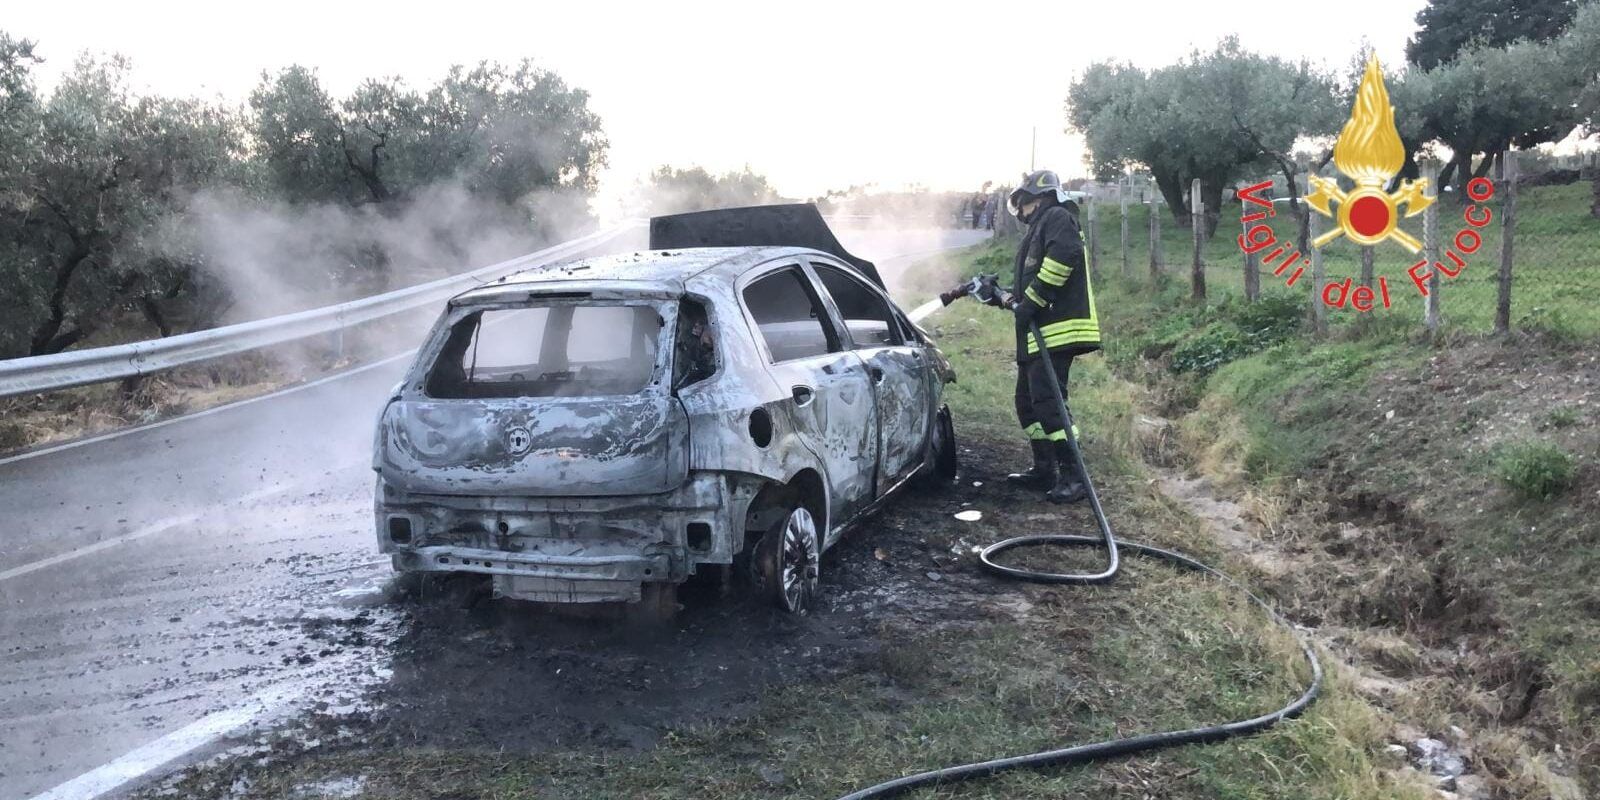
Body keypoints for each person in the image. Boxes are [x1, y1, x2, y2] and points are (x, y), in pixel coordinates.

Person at [1004, 170, 1100, 504]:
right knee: (1027, 403)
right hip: (1037, 333)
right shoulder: (1039, 227)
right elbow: (1032, 279)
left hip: (1058, 330)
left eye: (1024, 203)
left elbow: (1061, 262)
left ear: (1038, 197)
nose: (1021, 210)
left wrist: (1031, 302)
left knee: (1049, 404)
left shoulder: (1058, 217)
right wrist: (1005, 297)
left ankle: (1074, 477)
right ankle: (1044, 467)